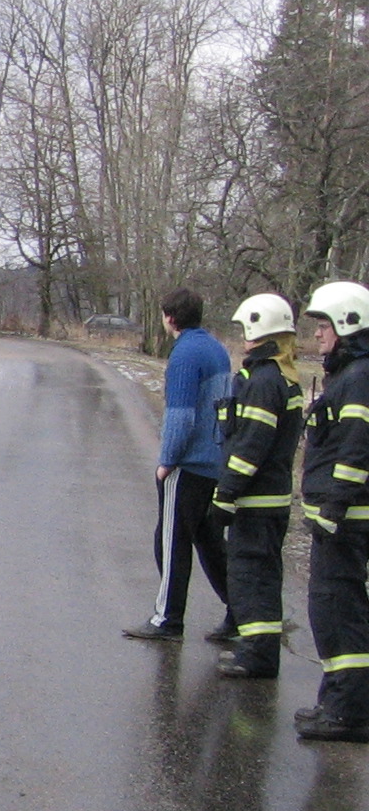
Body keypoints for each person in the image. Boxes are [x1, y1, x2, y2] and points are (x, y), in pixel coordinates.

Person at [123, 288, 232, 642]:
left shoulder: (185, 354)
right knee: (209, 541)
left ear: (169, 317)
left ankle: (167, 619)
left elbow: (180, 416)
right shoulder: (216, 349)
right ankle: (241, 612)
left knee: (170, 541)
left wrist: (166, 462)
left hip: (189, 464)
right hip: (215, 460)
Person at [210, 293, 304, 680]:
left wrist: (226, 493)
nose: (242, 339)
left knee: (252, 576)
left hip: (257, 500)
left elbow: (251, 445)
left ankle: (258, 656)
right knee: (258, 574)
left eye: (245, 331)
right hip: (269, 497)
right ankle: (256, 650)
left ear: (258, 330)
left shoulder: (264, 381)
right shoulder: (277, 376)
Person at [295, 281, 369, 740]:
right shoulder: (350, 374)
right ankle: (338, 702)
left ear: (346, 324)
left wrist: (334, 508)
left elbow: (357, 448)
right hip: (339, 516)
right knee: (333, 609)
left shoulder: (359, 376)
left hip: (346, 518)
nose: (318, 334)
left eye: (324, 325)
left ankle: (348, 713)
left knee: (339, 609)